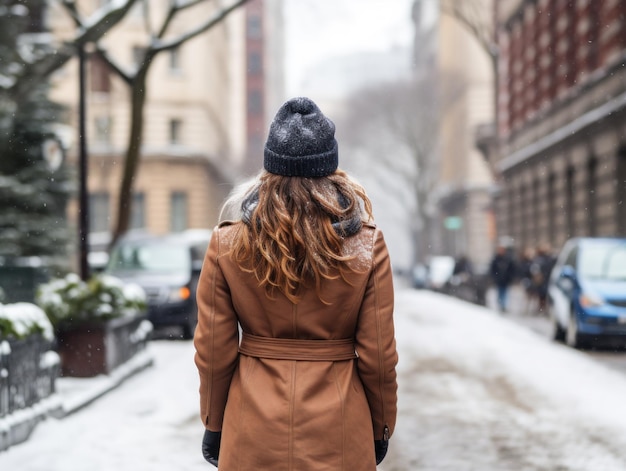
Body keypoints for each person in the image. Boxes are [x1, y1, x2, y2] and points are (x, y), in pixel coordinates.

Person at [193, 97, 398, 470]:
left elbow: (213, 352)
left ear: (269, 168)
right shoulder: (365, 245)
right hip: (338, 426)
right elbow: (379, 356)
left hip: (251, 425)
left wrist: (214, 422)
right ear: (331, 169)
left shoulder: (227, 243)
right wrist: (381, 425)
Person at [489, 244, 517, 312]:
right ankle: (501, 304)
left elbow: (512, 269)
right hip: (499, 279)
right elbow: (493, 269)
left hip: (506, 279)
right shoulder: (496, 259)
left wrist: (510, 276)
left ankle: (504, 305)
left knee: (505, 292)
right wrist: (495, 277)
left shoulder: (508, 259)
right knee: (499, 292)